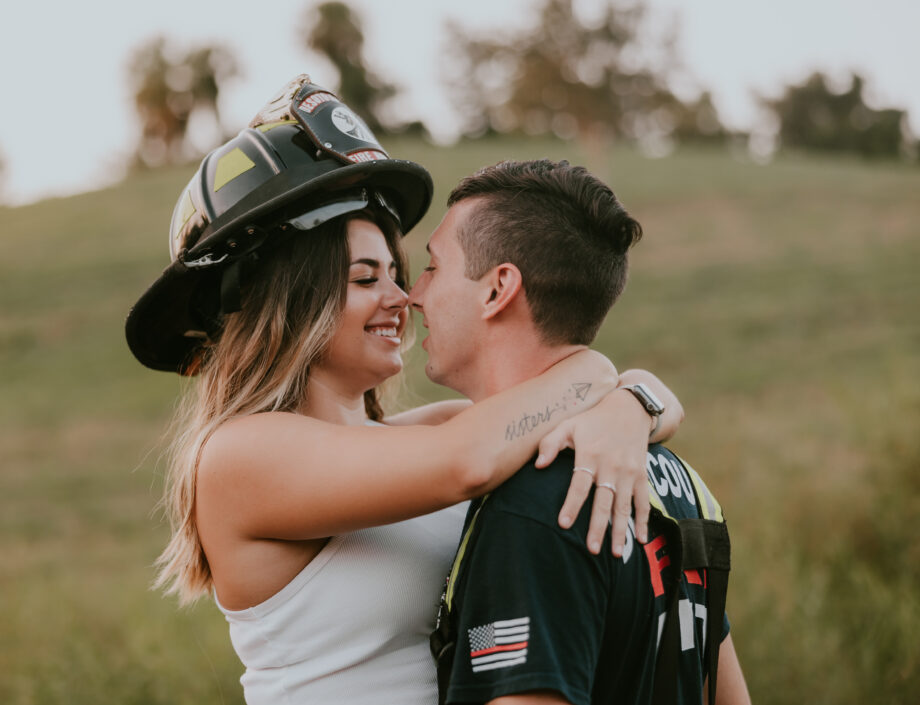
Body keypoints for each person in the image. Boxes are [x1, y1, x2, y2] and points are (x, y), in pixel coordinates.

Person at [125, 76, 684, 705]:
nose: (403, 298)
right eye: (366, 277)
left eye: (400, 272)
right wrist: (598, 376)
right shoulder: (238, 456)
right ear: (291, 302)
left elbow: (548, 409)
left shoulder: (418, 434)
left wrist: (631, 408)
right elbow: (475, 457)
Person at [413, 160, 751, 705]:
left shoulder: (537, 502)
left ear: (498, 289)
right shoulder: (676, 476)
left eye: (432, 268)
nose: (414, 293)